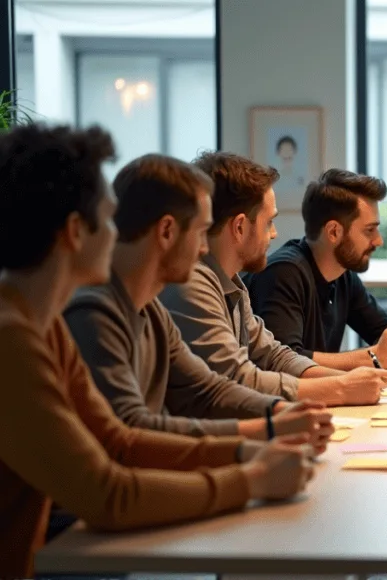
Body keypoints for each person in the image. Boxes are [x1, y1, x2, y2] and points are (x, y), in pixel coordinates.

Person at [0, 124, 316, 579]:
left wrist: (250, 448)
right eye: (108, 220)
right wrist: (251, 477)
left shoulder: (42, 326)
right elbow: (109, 493)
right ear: (74, 232)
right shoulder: (14, 341)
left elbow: (119, 440)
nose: (120, 233)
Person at [64, 153, 333, 443]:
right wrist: (264, 435)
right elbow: (130, 434)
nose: (205, 248)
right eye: (202, 232)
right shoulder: (94, 311)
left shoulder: (152, 309)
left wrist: (281, 412)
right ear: (167, 231)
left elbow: (208, 389)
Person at [160, 151, 387, 406]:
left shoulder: (231, 282)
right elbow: (238, 379)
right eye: (269, 222)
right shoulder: (192, 285)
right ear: (239, 227)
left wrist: (353, 380)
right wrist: (341, 387)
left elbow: (275, 355)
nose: (274, 233)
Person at [247, 168, 387, 371]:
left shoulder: (343, 274)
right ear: (334, 232)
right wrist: (373, 357)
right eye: (369, 230)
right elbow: (284, 360)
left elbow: (385, 333)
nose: (379, 240)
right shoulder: (283, 273)